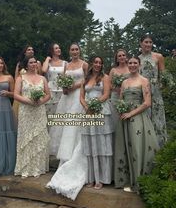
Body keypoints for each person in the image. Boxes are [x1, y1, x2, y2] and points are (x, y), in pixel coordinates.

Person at [114, 56, 159, 191]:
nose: (132, 65)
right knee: (124, 148)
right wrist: (121, 109)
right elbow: (121, 100)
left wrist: (131, 113)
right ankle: (127, 180)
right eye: (130, 63)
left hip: (138, 119)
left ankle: (139, 182)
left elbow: (147, 103)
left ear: (139, 65)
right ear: (127, 64)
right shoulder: (124, 82)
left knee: (136, 148)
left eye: (135, 63)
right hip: (124, 119)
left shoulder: (144, 81)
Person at [48, 42, 88, 159]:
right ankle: (65, 152)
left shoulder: (84, 64)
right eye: (72, 50)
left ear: (79, 51)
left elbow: (88, 80)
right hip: (67, 96)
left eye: (76, 49)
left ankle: (75, 152)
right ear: (70, 52)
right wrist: (65, 87)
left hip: (78, 95)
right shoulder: (67, 65)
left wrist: (74, 86)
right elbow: (64, 79)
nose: (75, 52)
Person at [80, 56, 114, 189]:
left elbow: (106, 94)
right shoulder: (86, 79)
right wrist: (87, 107)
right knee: (90, 144)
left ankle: (101, 178)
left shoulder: (105, 77)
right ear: (92, 64)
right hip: (88, 113)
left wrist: (94, 105)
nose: (98, 64)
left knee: (101, 144)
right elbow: (81, 97)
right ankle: (91, 178)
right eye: (96, 62)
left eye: (100, 62)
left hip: (101, 112)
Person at [14, 56, 50, 177]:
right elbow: (16, 95)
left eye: (35, 62)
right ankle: (25, 167)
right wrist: (28, 101)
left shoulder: (42, 78)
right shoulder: (21, 78)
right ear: (26, 65)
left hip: (39, 111)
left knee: (39, 137)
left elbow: (48, 95)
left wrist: (41, 101)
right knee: (26, 137)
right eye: (31, 62)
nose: (34, 64)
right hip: (26, 110)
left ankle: (38, 168)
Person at [139, 35, 167, 147]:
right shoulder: (137, 59)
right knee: (146, 117)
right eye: (146, 42)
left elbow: (163, 75)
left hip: (156, 92)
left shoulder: (158, 56)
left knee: (158, 117)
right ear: (141, 43)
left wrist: (160, 87)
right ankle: (148, 146)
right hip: (142, 91)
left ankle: (161, 146)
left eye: (150, 42)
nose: (148, 44)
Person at [13, 45, 42, 118]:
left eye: (32, 49)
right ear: (25, 53)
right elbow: (16, 78)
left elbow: (40, 77)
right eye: (29, 49)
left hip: (35, 92)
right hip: (22, 93)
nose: (31, 51)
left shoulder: (37, 63)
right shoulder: (20, 64)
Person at [42, 43, 66, 116]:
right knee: (50, 113)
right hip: (50, 90)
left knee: (61, 113)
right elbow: (43, 70)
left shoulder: (64, 63)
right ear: (52, 51)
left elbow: (65, 77)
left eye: (59, 48)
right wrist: (47, 59)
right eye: (56, 48)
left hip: (61, 90)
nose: (59, 49)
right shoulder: (48, 63)